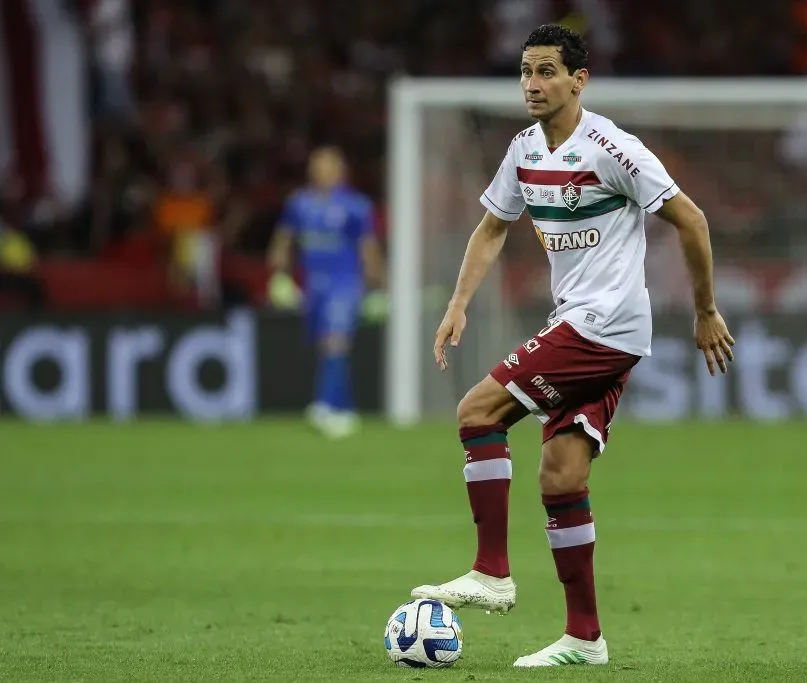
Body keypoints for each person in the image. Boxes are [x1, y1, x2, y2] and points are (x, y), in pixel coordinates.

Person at [410, 24, 736, 668]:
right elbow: (492, 228)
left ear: (577, 80)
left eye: (545, 72)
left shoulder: (613, 148)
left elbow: (691, 220)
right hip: (590, 324)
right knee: (561, 476)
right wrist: (457, 302)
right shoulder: (523, 149)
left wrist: (704, 311)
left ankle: (491, 571)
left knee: (478, 411)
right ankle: (585, 639)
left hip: (603, 325)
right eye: (525, 72)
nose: (532, 84)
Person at [267, 146, 384, 439]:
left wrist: (378, 284)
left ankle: (323, 405)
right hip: (313, 286)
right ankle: (343, 411)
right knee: (327, 347)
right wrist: (279, 275)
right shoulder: (299, 203)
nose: (322, 172)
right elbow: (284, 240)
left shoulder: (356, 206)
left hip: (344, 284)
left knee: (336, 342)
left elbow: (367, 248)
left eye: (328, 166)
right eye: (317, 166)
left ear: (340, 171)